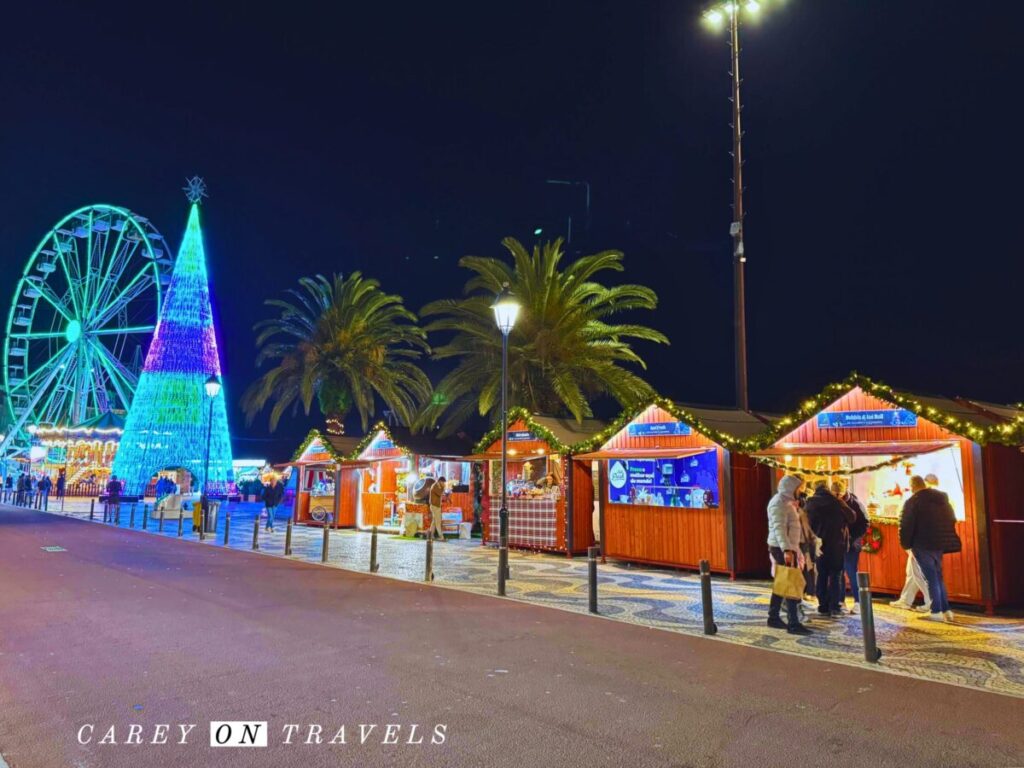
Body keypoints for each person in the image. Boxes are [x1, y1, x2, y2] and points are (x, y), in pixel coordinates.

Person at [899, 475, 960, 622]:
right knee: (938, 577)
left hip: (922, 543)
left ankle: (936, 611)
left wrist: (906, 544)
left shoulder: (913, 502)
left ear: (913, 486)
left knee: (930, 578)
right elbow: (952, 519)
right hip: (939, 544)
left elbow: (906, 524)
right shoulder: (942, 500)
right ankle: (946, 610)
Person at [766, 475, 812, 635]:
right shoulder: (779, 504)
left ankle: (773, 617)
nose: (800, 491)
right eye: (798, 488)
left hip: (786, 547)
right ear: (790, 488)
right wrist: (787, 549)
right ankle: (793, 623)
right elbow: (779, 528)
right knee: (790, 583)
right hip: (781, 548)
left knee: (782, 581)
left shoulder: (786, 503)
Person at [805, 479, 856, 617]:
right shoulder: (836, 501)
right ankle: (835, 606)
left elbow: (806, 522)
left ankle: (823, 606)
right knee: (835, 575)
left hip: (819, 544)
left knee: (821, 574)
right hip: (837, 544)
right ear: (827, 488)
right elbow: (852, 517)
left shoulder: (811, 502)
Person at [833, 478, 869, 614]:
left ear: (844, 492)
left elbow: (865, 523)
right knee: (839, 572)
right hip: (837, 544)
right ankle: (840, 601)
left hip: (851, 544)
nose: (837, 497)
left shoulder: (855, 503)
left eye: (839, 494)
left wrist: (853, 538)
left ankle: (858, 601)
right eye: (834, 494)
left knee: (851, 571)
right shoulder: (833, 503)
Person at [428, 476, 447, 541]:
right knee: (438, 521)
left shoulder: (438, 486)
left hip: (436, 506)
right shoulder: (435, 486)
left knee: (434, 522)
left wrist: (443, 487)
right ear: (440, 481)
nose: (444, 483)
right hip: (435, 506)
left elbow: (441, 493)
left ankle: (430, 536)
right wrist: (443, 487)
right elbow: (440, 493)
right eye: (443, 482)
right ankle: (441, 537)